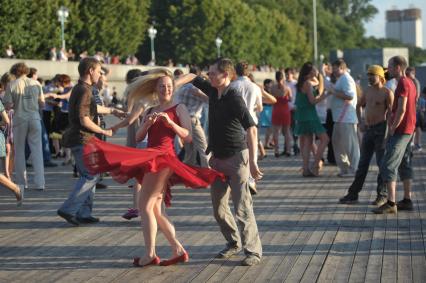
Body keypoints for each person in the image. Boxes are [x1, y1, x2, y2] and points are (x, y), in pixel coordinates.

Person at [83, 68, 224, 267]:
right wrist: (148, 124)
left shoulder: (179, 108)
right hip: (150, 157)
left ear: (173, 88)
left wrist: (170, 123)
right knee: (156, 210)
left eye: (168, 86)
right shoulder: (150, 109)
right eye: (162, 86)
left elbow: (188, 136)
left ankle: (150, 254)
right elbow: (139, 137)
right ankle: (177, 250)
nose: (166, 89)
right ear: (156, 89)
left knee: (145, 206)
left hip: (164, 159)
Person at [188, 58, 263, 266]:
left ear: (226, 75)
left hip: (238, 158)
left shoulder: (234, 97)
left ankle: (253, 252)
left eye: (213, 73)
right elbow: (193, 77)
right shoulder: (213, 91)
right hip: (218, 159)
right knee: (219, 209)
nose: (209, 76)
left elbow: (252, 128)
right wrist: (172, 81)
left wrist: (254, 163)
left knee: (242, 207)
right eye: (210, 73)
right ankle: (233, 243)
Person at [57, 57, 123, 226]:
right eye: (99, 71)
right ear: (90, 71)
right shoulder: (85, 90)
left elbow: (92, 108)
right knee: (90, 175)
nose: (100, 75)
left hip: (83, 138)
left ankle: (84, 212)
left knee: (91, 173)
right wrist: (103, 130)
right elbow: (84, 118)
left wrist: (113, 110)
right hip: (83, 138)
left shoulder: (82, 88)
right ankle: (69, 209)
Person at [339, 65, 394, 206]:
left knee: (382, 165)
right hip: (369, 130)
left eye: (372, 75)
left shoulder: (387, 93)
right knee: (362, 164)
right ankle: (353, 194)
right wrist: (360, 122)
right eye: (368, 74)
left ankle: (382, 195)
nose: (369, 77)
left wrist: (389, 131)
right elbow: (358, 105)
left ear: (380, 77)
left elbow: (392, 114)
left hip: (381, 130)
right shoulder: (368, 91)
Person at [373, 56, 417, 214]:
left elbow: (402, 108)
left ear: (398, 67)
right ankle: (407, 199)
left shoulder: (403, 83)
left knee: (388, 164)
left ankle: (391, 203)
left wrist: (393, 126)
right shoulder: (411, 82)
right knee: (405, 163)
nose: (388, 69)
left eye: (390, 67)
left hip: (401, 130)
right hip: (408, 129)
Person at [4, 63, 45, 191]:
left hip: (20, 119)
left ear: (15, 72)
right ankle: (40, 183)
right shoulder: (36, 83)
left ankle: (22, 183)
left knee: (20, 152)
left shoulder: (12, 85)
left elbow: (8, 105)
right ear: (26, 71)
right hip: (34, 118)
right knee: (37, 151)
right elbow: (42, 104)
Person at [294, 62, 329, 177]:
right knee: (325, 139)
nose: (316, 71)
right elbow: (312, 101)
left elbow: (317, 86)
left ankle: (305, 169)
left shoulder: (302, 82)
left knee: (308, 143)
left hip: (302, 114)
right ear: (309, 73)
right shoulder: (308, 83)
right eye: (314, 70)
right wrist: (325, 95)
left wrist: (320, 78)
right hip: (310, 115)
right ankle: (315, 164)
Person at [328, 59, 360, 177]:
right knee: (338, 143)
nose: (333, 71)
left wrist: (333, 92)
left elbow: (350, 95)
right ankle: (344, 168)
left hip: (346, 117)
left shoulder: (346, 78)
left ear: (342, 68)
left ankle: (354, 169)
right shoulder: (341, 79)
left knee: (350, 145)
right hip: (339, 118)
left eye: (335, 69)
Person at [271, 71, 293, 157]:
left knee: (276, 132)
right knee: (287, 131)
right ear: (283, 77)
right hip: (285, 110)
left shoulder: (272, 88)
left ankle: (276, 151)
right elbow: (290, 99)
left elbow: (271, 99)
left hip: (276, 110)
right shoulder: (287, 88)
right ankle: (288, 150)